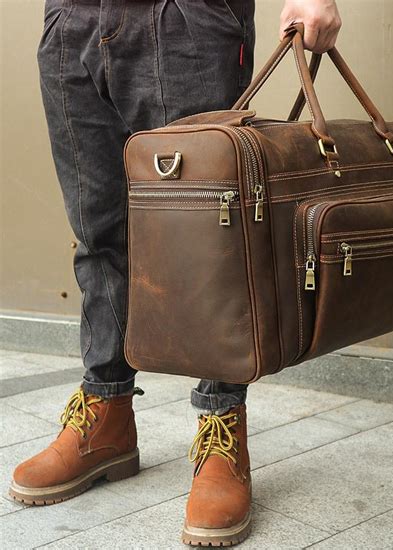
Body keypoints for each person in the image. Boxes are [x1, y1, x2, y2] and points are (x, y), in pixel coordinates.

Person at [10, 0, 341, 545]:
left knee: (214, 241)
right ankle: (107, 412)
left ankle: (222, 424)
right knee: (99, 234)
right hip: (73, 19)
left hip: (189, 17)